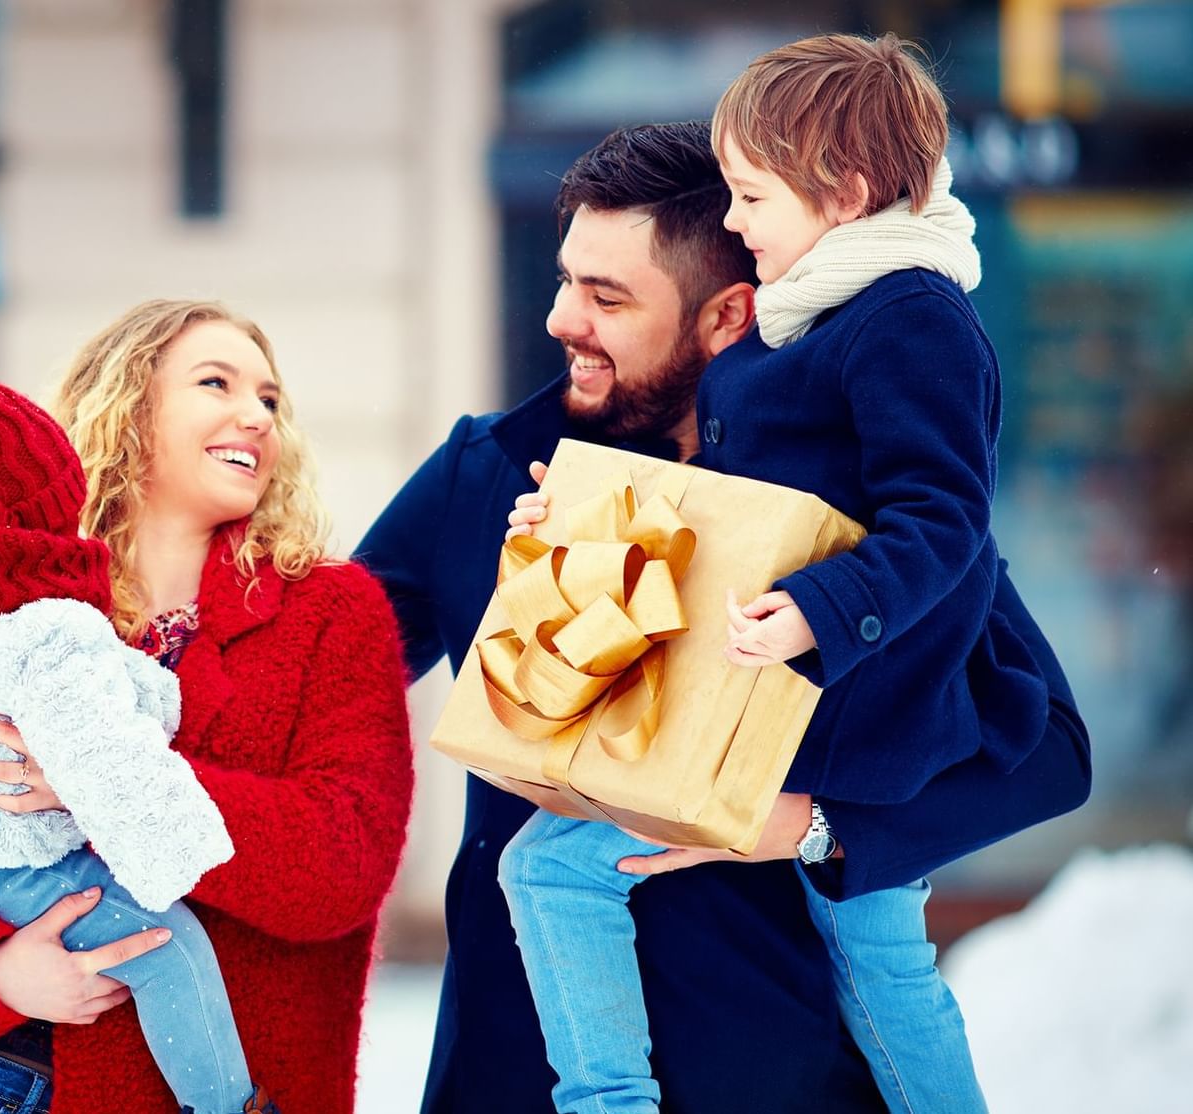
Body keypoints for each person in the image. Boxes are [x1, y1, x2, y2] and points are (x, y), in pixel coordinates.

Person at [354, 121, 1092, 1113]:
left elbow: (1051, 749)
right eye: (566, 279)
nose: (562, 319)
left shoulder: (853, 515)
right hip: (522, 1080)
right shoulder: (484, 473)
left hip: (791, 1078)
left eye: (607, 296)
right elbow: (316, 674)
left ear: (728, 315)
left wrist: (810, 825)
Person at [0, 300, 416, 1114]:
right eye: (216, 382)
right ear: (126, 405)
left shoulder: (330, 612)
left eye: (269, 398)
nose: (254, 415)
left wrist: (106, 780)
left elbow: (342, 867)